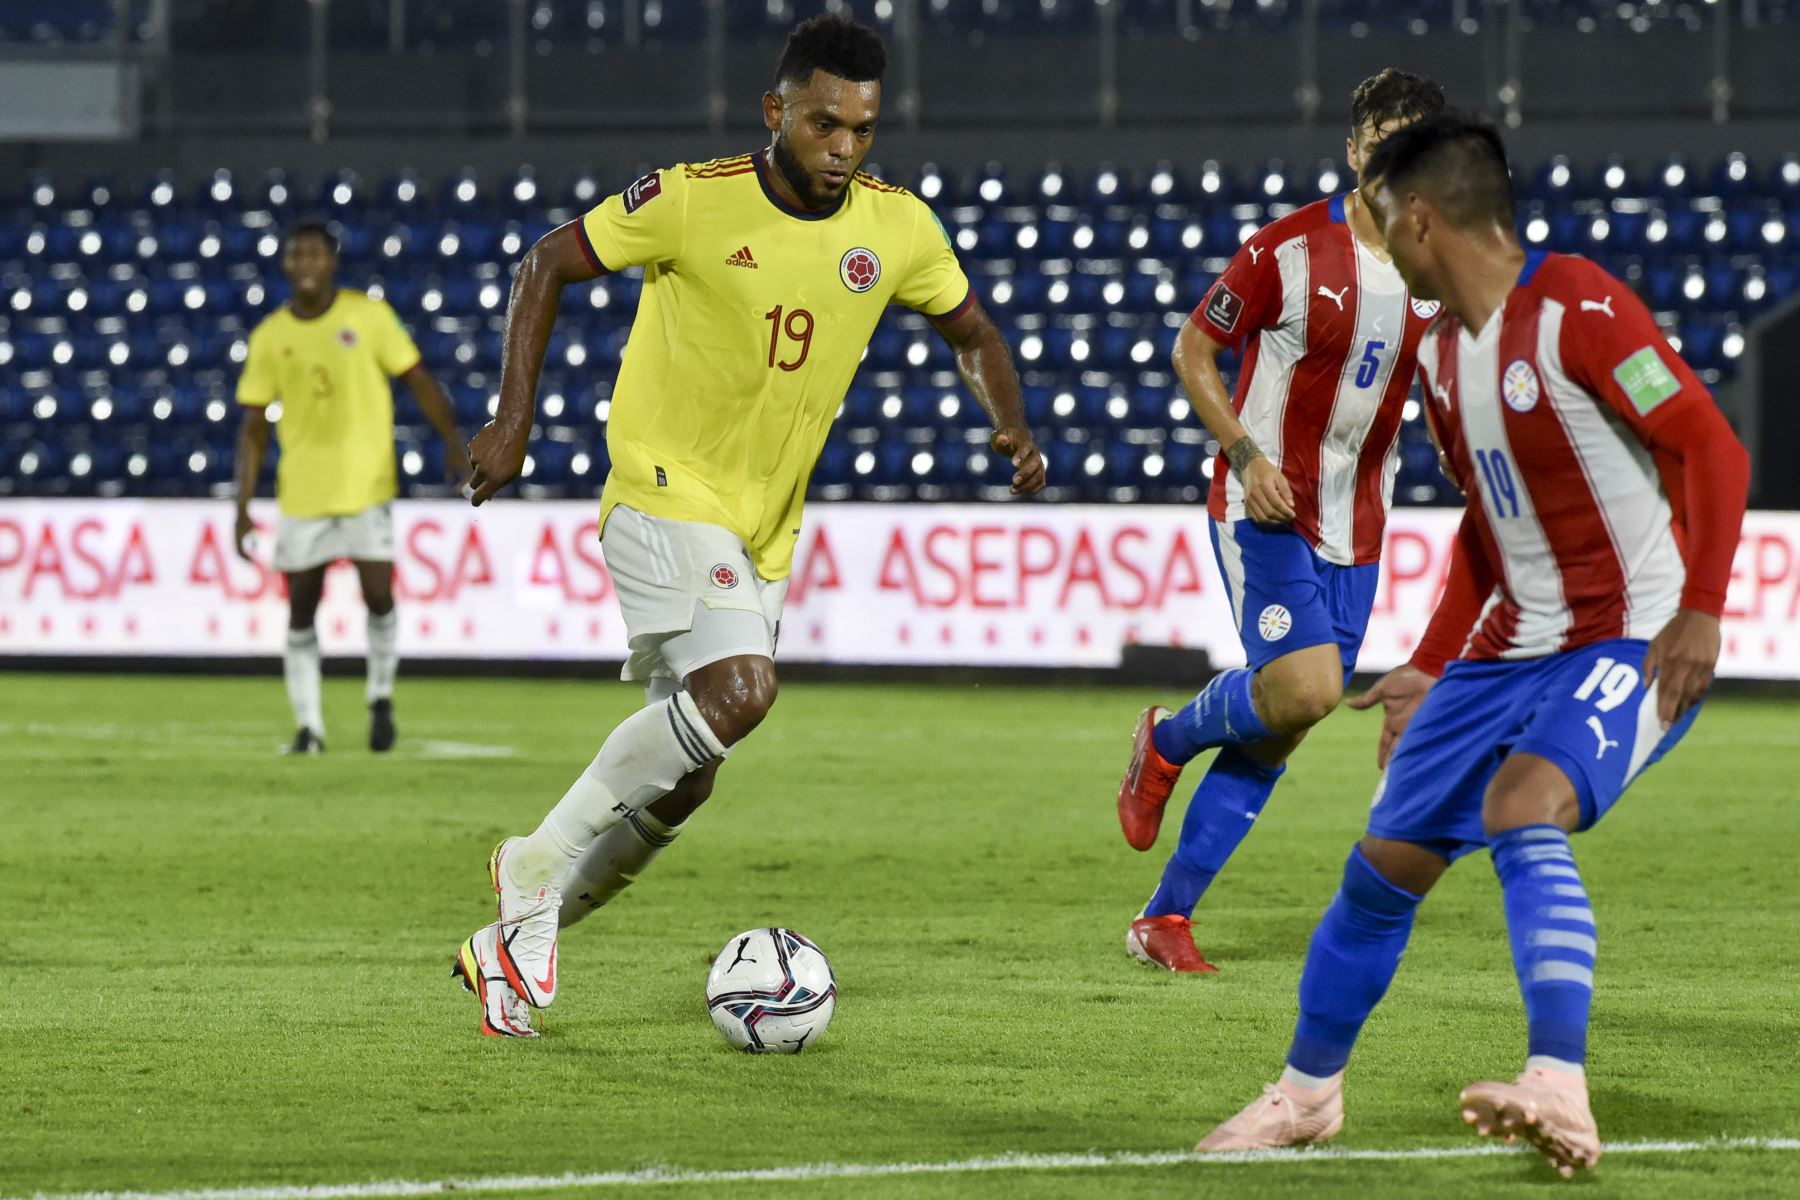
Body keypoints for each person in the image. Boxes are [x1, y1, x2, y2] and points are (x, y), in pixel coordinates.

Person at [450, 14, 1046, 1038]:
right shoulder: (690, 199)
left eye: (861, 130)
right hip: (661, 490)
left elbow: (974, 331)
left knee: (689, 780)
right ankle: (533, 870)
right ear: (775, 112)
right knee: (742, 691)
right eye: (823, 124)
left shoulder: (897, 227)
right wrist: (513, 420)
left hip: (762, 531)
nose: (843, 149)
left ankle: (512, 939)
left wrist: (1013, 424)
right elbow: (546, 262)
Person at [1196, 114, 1749, 1178]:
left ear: (1420, 219)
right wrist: (1427, 663)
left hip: (1632, 632)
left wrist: (1706, 609)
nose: (1381, 249)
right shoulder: (1444, 356)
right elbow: (1487, 531)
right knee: (1381, 870)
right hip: (1508, 648)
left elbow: (1707, 445)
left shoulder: (1579, 306)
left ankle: (1559, 1082)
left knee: (1519, 803)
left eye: (1385, 227)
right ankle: (1307, 1097)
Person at [1114, 69, 1446, 972]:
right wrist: (1244, 455)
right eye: (1381, 144)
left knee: (1286, 721)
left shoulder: (1437, 267)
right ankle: (1169, 738)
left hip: (1360, 524)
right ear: (1354, 150)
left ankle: (1164, 918)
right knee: (1306, 691)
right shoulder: (1287, 252)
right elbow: (1194, 347)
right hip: (1264, 506)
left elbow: (1443, 377)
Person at [233, 218, 468, 754]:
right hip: (304, 494)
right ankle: (310, 728)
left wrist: (452, 441)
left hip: (367, 485)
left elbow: (419, 380)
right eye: (298, 255)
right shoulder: (271, 336)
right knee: (301, 607)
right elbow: (252, 427)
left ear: (332, 262)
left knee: (379, 595)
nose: (308, 263)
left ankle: (380, 698)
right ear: (287, 265)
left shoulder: (368, 317)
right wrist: (242, 505)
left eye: (316, 254)